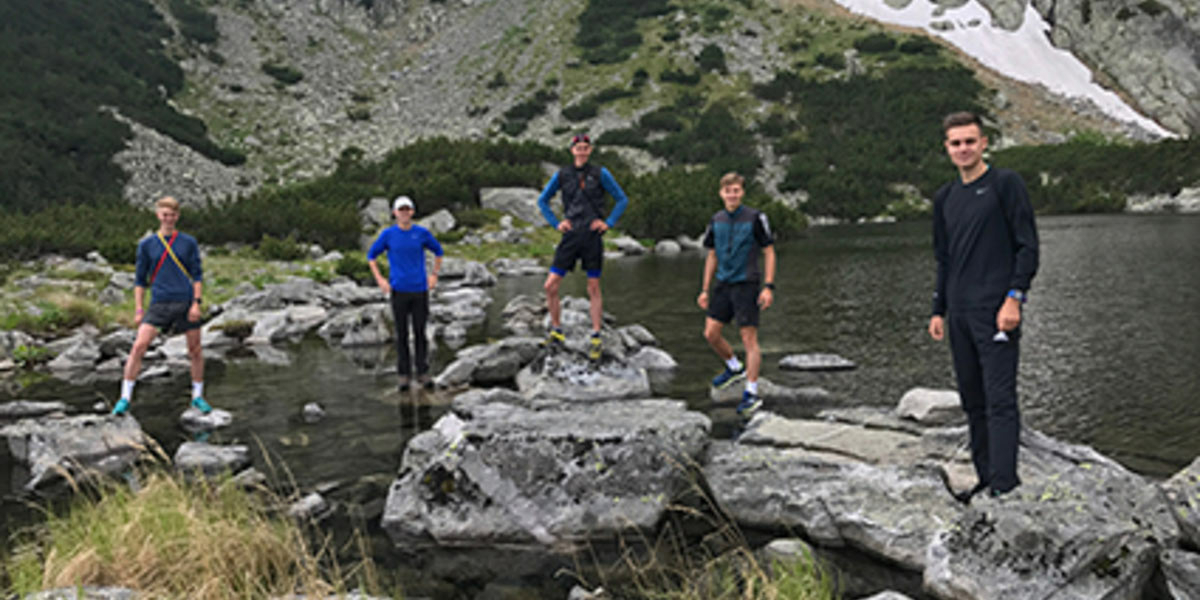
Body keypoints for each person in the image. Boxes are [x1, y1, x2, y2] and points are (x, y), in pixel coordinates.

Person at [928, 111, 1039, 501]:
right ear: (947, 148)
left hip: (996, 311)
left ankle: (1005, 486)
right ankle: (985, 478)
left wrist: (1015, 297)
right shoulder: (945, 198)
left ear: (984, 143)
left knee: (1000, 400)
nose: (963, 149)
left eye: (970, 141)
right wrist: (938, 309)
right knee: (973, 401)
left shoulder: (1005, 184)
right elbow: (945, 258)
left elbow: (1027, 247)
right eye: (956, 143)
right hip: (958, 314)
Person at [536, 133, 629, 360]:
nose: (582, 151)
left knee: (593, 287)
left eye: (586, 147)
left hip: (592, 235)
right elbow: (542, 200)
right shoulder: (563, 174)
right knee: (550, 286)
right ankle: (557, 330)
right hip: (570, 234)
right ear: (572, 150)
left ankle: (596, 335)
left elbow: (622, 199)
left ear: (591, 150)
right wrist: (557, 223)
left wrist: (607, 223)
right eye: (578, 147)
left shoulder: (600, 173)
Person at [113, 196, 209, 416]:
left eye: (173, 215)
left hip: (185, 301)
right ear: (158, 215)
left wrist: (196, 303)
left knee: (195, 350)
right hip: (159, 303)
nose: (169, 218)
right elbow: (140, 280)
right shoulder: (147, 245)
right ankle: (125, 397)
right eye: (165, 214)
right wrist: (138, 309)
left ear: (177, 217)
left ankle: (198, 396)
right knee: (139, 346)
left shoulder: (188, 242)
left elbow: (196, 275)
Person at [698, 172, 776, 419]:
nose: (732, 194)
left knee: (748, 339)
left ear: (742, 193)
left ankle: (751, 392)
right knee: (711, 333)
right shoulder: (716, 219)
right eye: (728, 190)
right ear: (721, 193)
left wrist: (768, 286)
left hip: (747, 284)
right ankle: (734, 367)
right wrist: (704, 289)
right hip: (722, 283)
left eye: (736, 190)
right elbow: (711, 255)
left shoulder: (755, 218)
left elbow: (770, 252)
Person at [369, 195, 444, 391]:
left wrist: (434, 275)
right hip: (398, 291)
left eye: (407, 210)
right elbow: (371, 256)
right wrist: (380, 280)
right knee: (401, 334)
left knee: (420, 332)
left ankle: (422, 371)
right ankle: (403, 374)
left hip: (420, 290)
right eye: (401, 210)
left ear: (412, 212)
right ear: (395, 213)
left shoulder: (421, 233)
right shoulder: (388, 235)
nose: (404, 213)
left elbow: (438, 251)